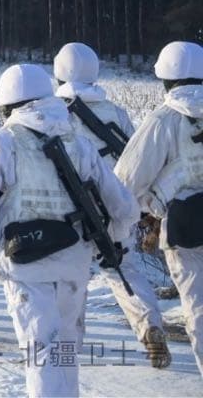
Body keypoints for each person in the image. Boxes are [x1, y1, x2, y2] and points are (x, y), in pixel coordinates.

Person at [0, 64, 136, 398]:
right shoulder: (76, 141)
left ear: (7, 104)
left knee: (40, 355)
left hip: (26, 264)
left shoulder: (3, 142)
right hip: (75, 262)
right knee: (64, 351)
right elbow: (122, 204)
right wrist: (118, 239)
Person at [52, 42, 170, 367]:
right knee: (123, 269)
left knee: (70, 275)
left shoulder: (51, 111)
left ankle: (67, 350)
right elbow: (134, 158)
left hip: (68, 209)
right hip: (113, 205)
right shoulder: (115, 112)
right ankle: (150, 327)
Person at [116, 41, 203, 378]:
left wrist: (144, 210)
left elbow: (126, 181)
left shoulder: (163, 120)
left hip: (186, 231)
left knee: (198, 311)